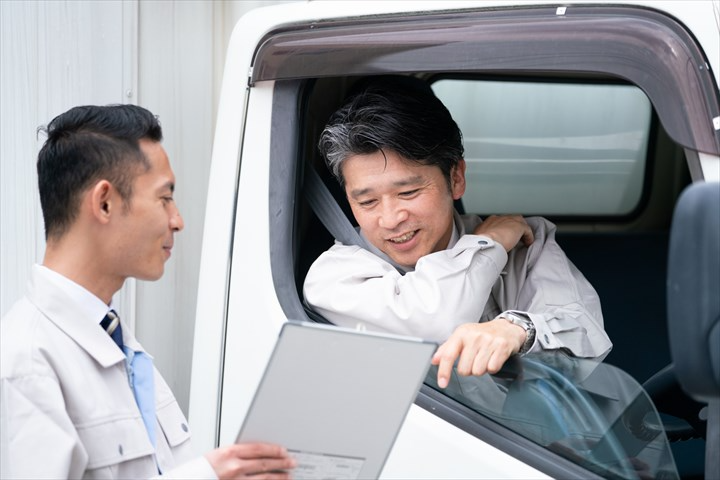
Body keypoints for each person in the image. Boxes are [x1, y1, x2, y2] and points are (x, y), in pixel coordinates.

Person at [0, 105, 296, 479]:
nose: (178, 220)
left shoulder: (120, 347)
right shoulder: (26, 363)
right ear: (104, 202)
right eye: (164, 197)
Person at [303, 77, 612, 389]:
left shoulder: (525, 244)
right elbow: (436, 322)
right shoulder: (334, 277)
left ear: (456, 177)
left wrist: (517, 329)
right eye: (367, 201)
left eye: (408, 192)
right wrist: (488, 246)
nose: (390, 219)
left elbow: (584, 333)